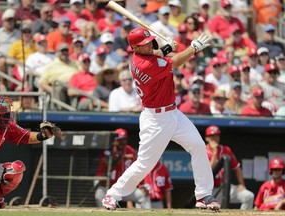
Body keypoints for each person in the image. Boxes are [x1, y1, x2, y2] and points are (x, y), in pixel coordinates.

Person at [101, 27, 220, 211]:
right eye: (143, 44)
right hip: (155, 119)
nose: (148, 45)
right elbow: (175, 62)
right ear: (134, 48)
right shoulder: (145, 65)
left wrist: (165, 48)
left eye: (149, 42)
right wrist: (193, 48)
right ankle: (112, 194)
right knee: (145, 164)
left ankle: (204, 195)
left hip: (173, 113)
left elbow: (155, 54)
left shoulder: (143, 56)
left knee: (197, 145)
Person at [0, 95, 56, 208]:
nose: (7, 116)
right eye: (3, 113)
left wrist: (43, 135)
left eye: (7, 112)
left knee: (16, 169)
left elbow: (27, 136)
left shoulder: (8, 127)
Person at [95, 128, 150, 209]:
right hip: (107, 187)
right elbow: (107, 163)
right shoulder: (108, 150)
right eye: (119, 140)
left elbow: (139, 168)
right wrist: (121, 156)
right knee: (99, 194)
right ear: (114, 140)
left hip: (124, 188)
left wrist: (141, 185)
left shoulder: (129, 150)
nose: (122, 142)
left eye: (124, 140)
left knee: (141, 195)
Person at [204, 125, 255, 210]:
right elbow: (209, 171)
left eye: (216, 135)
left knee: (249, 196)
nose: (214, 138)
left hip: (224, 187)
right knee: (214, 210)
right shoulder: (202, 150)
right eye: (211, 136)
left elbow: (237, 168)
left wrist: (242, 184)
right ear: (206, 138)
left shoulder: (226, 149)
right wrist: (215, 153)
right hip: (210, 190)